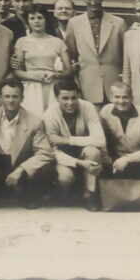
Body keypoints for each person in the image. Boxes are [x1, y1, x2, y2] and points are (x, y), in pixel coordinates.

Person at [0, 78, 56, 208]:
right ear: (0, 97)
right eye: (7, 96)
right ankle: (0, 194)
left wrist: (21, 170)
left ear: (22, 98)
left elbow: (45, 152)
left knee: (45, 169)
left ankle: (30, 196)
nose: (10, 100)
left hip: (21, 160)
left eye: (15, 96)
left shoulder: (34, 121)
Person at [44, 82, 106, 211]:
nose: (70, 102)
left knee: (93, 152)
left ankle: (90, 194)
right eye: (65, 98)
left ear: (78, 95)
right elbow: (52, 150)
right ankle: (63, 195)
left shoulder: (87, 107)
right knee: (65, 178)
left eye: (73, 98)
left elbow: (100, 140)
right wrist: (78, 163)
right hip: (62, 157)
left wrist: (67, 140)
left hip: (83, 150)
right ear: (57, 98)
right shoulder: (50, 113)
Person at [63, 0, 125, 106]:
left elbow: (126, 56)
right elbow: (71, 54)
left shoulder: (118, 23)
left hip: (115, 85)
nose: (92, 2)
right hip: (87, 84)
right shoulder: (74, 23)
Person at [13, 9, 73, 117]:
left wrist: (56, 74)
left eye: (40, 18)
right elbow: (16, 70)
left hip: (52, 85)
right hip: (31, 86)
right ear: (28, 22)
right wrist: (33, 76)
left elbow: (68, 70)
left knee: (51, 117)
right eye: (32, 18)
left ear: (46, 20)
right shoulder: (21, 42)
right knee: (32, 118)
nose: (36, 21)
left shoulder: (57, 42)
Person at [98, 82, 140, 182]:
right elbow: (100, 140)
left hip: (138, 158)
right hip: (114, 158)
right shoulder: (105, 112)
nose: (121, 101)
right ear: (111, 98)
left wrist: (127, 159)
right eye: (117, 97)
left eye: (125, 97)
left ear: (132, 98)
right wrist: (108, 159)